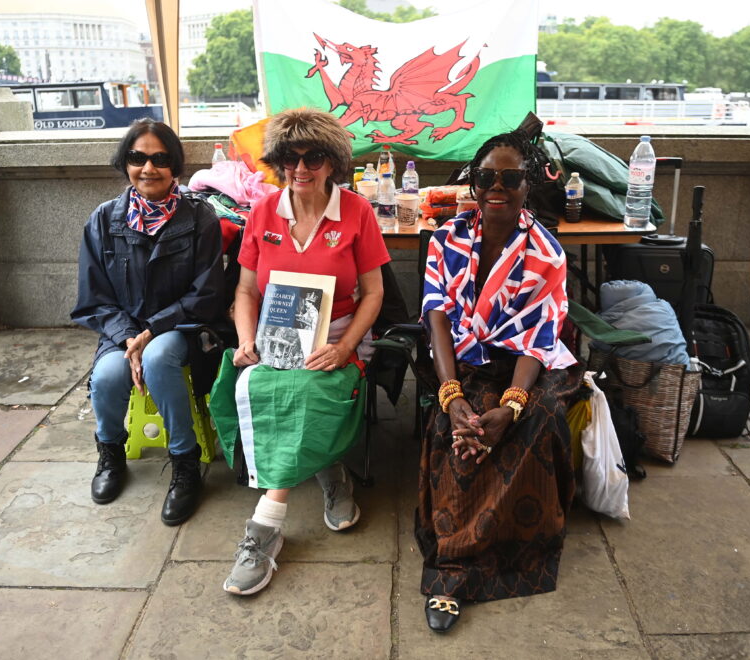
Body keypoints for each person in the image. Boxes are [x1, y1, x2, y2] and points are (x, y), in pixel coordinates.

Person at [416, 129, 582, 632]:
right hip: (465, 360)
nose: (497, 186)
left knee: (535, 421)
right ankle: (455, 565)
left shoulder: (546, 253)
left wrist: (511, 407)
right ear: (473, 182)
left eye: (510, 178)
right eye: (487, 176)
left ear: (528, 184)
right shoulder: (447, 240)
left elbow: (537, 339)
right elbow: (436, 317)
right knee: (459, 432)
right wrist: (451, 397)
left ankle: (502, 556)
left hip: (530, 363)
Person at [222, 107, 389, 596]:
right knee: (261, 384)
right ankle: (328, 468)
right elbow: (246, 292)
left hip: (339, 336)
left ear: (332, 161)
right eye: (289, 158)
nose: (301, 169)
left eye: (313, 156)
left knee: (311, 390)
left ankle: (265, 527)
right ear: (276, 162)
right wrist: (245, 339)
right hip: (275, 336)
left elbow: (374, 294)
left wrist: (346, 348)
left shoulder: (357, 212)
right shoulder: (262, 213)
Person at [71, 118, 225, 526]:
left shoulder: (200, 218)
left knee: (158, 359)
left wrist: (152, 331)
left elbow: (207, 293)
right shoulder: (104, 220)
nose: (148, 168)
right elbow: (95, 299)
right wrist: (127, 339)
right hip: (121, 332)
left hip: (182, 328)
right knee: (105, 378)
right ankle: (109, 454)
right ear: (126, 162)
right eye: (138, 157)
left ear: (174, 165)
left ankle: (185, 464)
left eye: (160, 159)